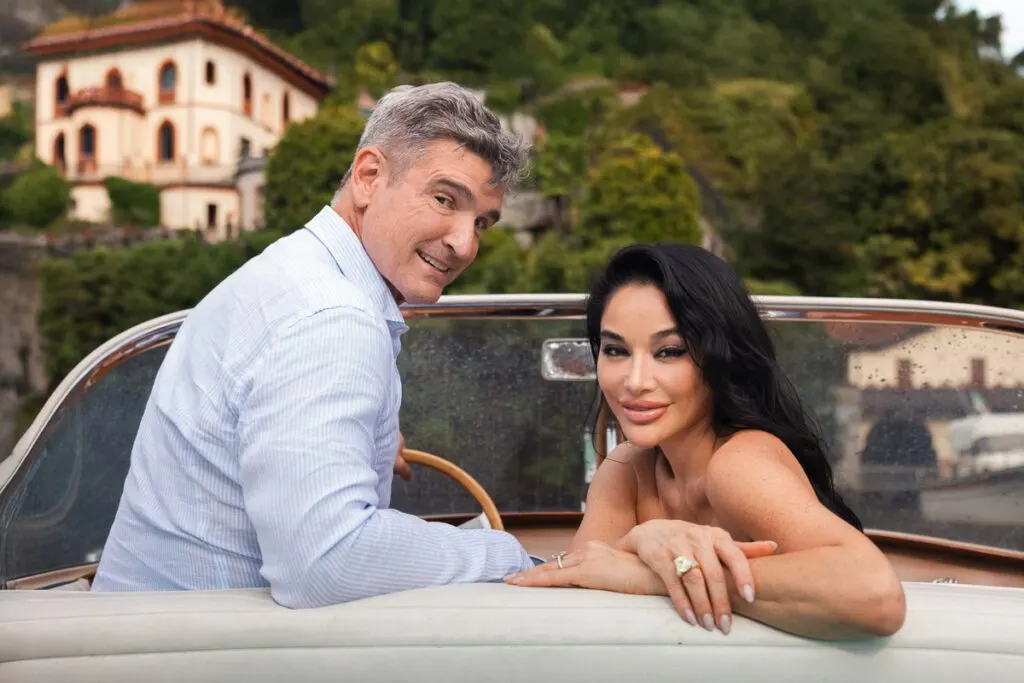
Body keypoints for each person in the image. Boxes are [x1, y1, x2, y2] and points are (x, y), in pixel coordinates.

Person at [92, 82, 539, 607]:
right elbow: (327, 562)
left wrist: (365, 436)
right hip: (197, 651)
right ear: (370, 177)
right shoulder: (332, 318)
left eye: (481, 223)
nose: (465, 244)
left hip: (140, 627)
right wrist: (506, 555)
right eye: (445, 199)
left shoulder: (291, 273)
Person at [506, 243, 907, 640]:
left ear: (721, 358)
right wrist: (643, 540)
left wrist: (665, 574)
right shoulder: (627, 470)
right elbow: (581, 584)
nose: (635, 381)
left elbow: (876, 594)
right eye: (615, 350)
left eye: (669, 351)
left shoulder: (737, 464)